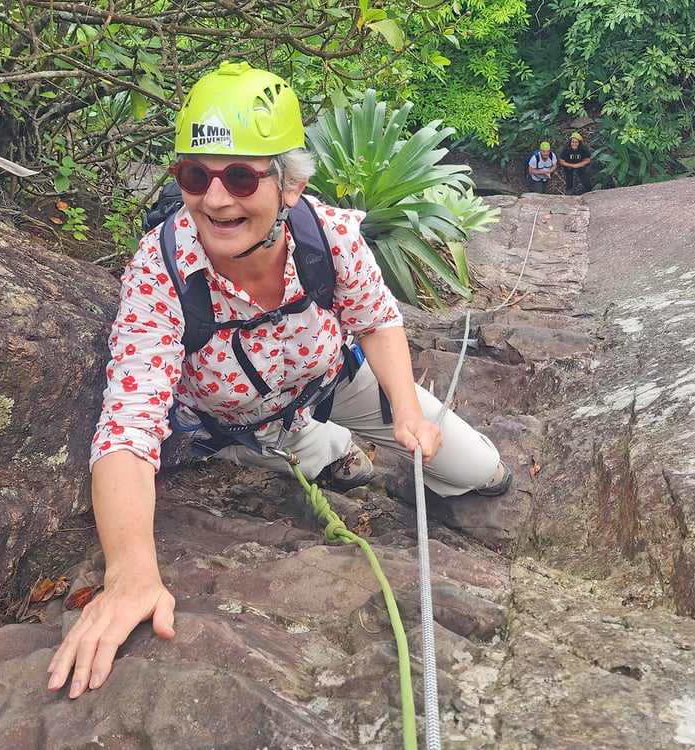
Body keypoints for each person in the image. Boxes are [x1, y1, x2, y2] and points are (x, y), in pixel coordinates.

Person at [47, 61, 512, 700]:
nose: (215, 199)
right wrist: (130, 573)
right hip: (242, 421)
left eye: (241, 176)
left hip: (337, 379)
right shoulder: (160, 273)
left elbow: (376, 321)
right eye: (195, 175)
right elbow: (128, 422)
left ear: (288, 184)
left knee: (481, 471)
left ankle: (346, 444)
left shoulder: (330, 235)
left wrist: (406, 410)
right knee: (337, 466)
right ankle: (315, 448)